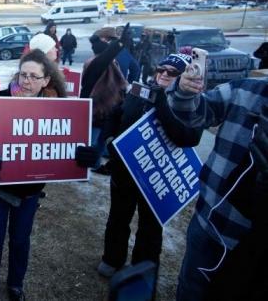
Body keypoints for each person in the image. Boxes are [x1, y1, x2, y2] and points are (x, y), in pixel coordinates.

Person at [93, 52, 202, 278]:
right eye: (160, 70)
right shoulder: (138, 91)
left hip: (157, 176)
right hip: (125, 171)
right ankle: (112, 259)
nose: (163, 75)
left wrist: (162, 102)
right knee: (118, 217)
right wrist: (109, 141)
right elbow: (116, 114)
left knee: (150, 227)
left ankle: (142, 270)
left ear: (183, 77)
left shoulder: (189, 103)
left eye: (172, 73)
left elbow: (187, 137)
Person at [0, 50, 67, 301]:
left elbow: (64, 145)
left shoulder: (57, 109)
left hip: (29, 191)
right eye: (23, 74)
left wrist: (82, 156)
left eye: (34, 77)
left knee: (20, 240)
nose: (27, 81)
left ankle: (15, 284)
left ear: (46, 80)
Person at [168, 72, 268, 300]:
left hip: (259, 250)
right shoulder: (245, 90)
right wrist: (184, 91)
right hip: (210, 226)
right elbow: (193, 115)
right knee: (191, 290)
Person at [80, 26, 129, 175]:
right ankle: (83, 170)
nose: (111, 43)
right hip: (94, 110)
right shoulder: (96, 61)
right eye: (110, 40)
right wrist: (120, 43)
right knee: (92, 142)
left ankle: (94, 165)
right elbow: (105, 57)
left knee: (101, 141)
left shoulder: (111, 62)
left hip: (108, 110)